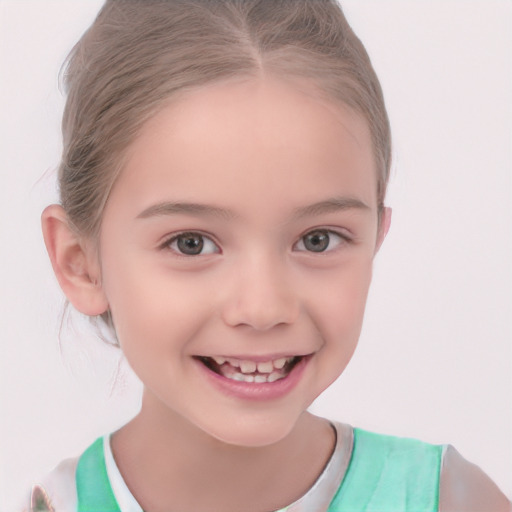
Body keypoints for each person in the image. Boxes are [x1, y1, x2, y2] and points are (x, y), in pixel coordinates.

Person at [25, 0, 510, 510]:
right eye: (191, 243)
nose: (263, 308)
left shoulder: (448, 499)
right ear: (79, 262)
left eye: (317, 240)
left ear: (375, 240)